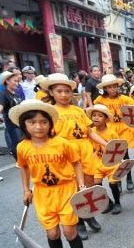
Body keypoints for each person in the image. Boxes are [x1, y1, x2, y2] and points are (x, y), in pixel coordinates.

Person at [11, 99, 88, 248]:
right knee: (52, 233)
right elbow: (23, 167)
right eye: (32, 122)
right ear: (24, 125)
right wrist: (25, 190)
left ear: (50, 124)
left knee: (70, 231)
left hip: (66, 190)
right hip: (43, 193)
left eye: (43, 122)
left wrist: (81, 185)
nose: (38, 126)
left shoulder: (62, 143)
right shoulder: (22, 147)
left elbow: (76, 163)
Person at [42, 73, 104, 238]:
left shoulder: (78, 110)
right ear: (52, 93)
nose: (64, 95)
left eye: (67, 91)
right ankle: (79, 221)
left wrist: (106, 143)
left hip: (85, 151)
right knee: (74, 189)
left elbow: (89, 132)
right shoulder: (50, 113)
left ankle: (89, 215)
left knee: (88, 186)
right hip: (66, 154)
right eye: (59, 91)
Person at [93, 74, 134, 192]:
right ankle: (116, 180)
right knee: (112, 157)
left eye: (114, 86)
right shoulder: (100, 100)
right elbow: (96, 111)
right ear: (105, 89)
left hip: (123, 129)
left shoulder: (124, 98)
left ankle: (129, 178)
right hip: (108, 129)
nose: (112, 89)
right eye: (109, 87)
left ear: (118, 86)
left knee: (124, 154)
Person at [86, 104, 125, 215]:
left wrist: (121, 159)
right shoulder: (91, 131)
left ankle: (117, 203)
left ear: (106, 119)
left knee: (113, 183)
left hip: (111, 162)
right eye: (94, 115)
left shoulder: (112, 133)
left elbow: (119, 147)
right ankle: (108, 202)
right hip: (97, 161)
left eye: (100, 116)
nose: (96, 118)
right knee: (97, 184)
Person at [0, 69, 22, 160]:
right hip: (12, 124)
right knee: (17, 144)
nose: (17, 83)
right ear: (7, 81)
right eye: (14, 81)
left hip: (20, 123)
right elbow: (0, 105)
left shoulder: (16, 94)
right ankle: (19, 162)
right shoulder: (3, 94)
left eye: (17, 81)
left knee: (23, 144)